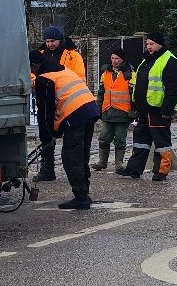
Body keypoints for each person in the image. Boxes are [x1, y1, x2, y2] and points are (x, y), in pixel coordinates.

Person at [34, 55, 100, 210]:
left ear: (35, 65)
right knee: (82, 155)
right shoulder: (62, 70)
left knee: (71, 156)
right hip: (90, 109)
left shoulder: (44, 78)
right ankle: (84, 193)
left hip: (75, 114)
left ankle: (81, 197)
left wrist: (47, 135)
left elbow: (44, 112)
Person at [120, 32, 177, 181]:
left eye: (151, 44)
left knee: (162, 143)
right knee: (140, 141)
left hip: (158, 110)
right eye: (147, 44)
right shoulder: (146, 60)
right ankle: (134, 169)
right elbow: (139, 85)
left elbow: (172, 88)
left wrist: (167, 109)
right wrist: (135, 105)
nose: (148, 47)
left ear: (159, 44)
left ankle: (161, 171)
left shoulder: (169, 60)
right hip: (143, 109)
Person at [31, 26, 85, 182]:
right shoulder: (40, 55)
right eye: (47, 41)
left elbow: (79, 77)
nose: (50, 44)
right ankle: (47, 169)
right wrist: (38, 83)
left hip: (66, 100)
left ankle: (75, 171)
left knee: (70, 138)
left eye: (52, 41)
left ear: (60, 40)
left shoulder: (73, 56)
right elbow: (32, 74)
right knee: (46, 134)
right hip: (47, 99)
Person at [94, 49, 133, 171]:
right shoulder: (105, 73)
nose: (114, 61)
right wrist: (98, 108)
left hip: (123, 113)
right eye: (112, 58)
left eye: (117, 58)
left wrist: (134, 111)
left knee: (120, 138)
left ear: (122, 59)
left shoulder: (130, 74)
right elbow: (101, 93)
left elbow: (134, 95)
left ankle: (119, 163)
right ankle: (102, 162)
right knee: (104, 137)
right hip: (107, 111)